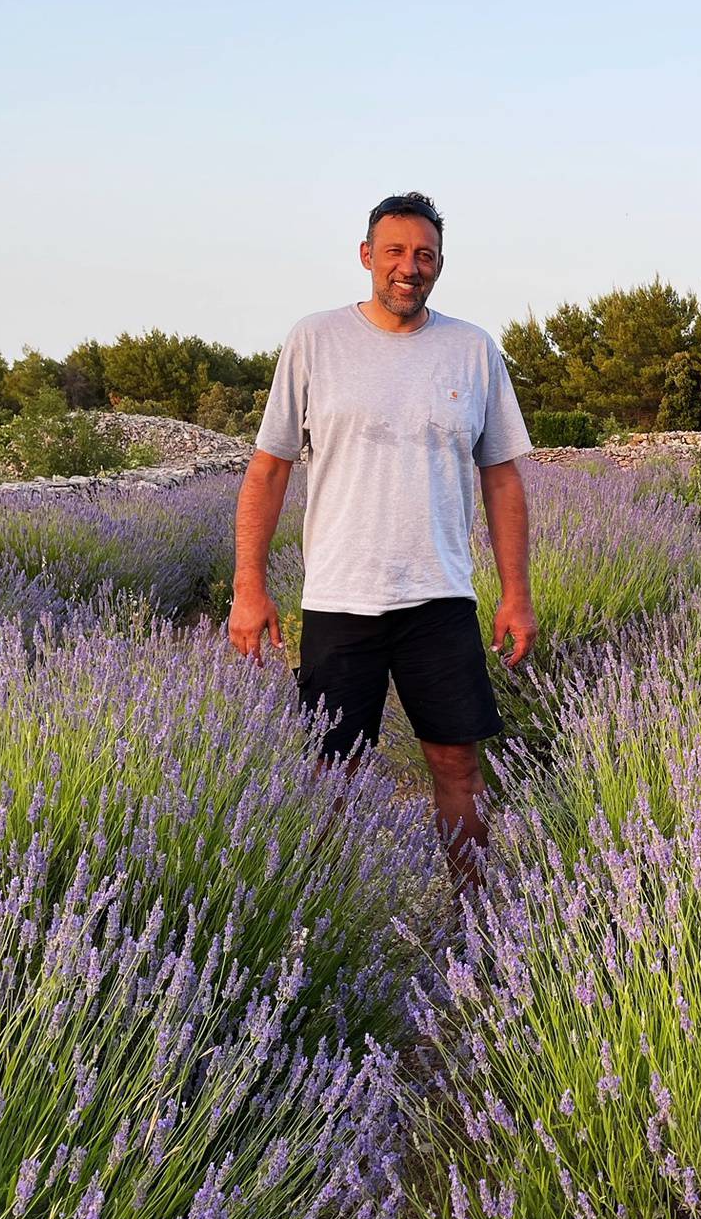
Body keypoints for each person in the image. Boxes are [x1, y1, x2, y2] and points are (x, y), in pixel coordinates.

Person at [227, 191, 537, 886]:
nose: (410, 267)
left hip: (440, 597)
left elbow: (504, 481)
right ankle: (335, 923)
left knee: (457, 764)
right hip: (341, 599)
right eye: (395, 252)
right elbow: (269, 469)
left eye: (424, 255)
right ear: (367, 257)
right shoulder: (315, 340)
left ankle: (476, 920)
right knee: (333, 772)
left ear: (440, 264)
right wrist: (249, 587)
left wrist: (516, 594)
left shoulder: (472, 350)